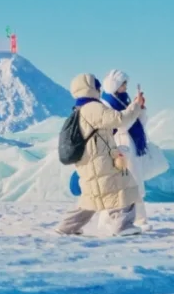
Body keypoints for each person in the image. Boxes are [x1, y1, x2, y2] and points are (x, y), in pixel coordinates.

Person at [57, 73, 146, 236]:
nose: (99, 88)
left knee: (91, 197)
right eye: (96, 85)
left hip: (91, 160)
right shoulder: (93, 107)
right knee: (122, 188)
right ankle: (122, 226)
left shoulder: (79, 109)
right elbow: (119, 119)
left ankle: (67, 227)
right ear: (90, 88)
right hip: (101, 160)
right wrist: (136, 106)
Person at [101, 70, 151, 227]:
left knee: (135, 184)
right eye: (123, 84)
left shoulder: (124, 100)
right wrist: (134, 107)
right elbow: (121, 124)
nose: (125, 87)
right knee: (117, 185)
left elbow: (138, 122)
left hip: (131, 146)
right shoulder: (106, 104)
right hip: (118, 146)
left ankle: (140, 219)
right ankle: (108, 220)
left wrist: (140, 108)